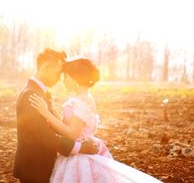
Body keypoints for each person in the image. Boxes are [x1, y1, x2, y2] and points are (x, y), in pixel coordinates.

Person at [29, 58, 162, 183]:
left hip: (79, 157)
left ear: (74, 79)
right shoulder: (85, 98)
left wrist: (46, 114)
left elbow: (72, 133)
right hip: (80, 150)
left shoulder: (80, 101)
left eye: (66, 77)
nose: (63, 81)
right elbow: (73, 126)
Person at [13, 49, 98, 183]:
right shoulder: (31, 95)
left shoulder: (41, 93)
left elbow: (57, 126)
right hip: (34, 167)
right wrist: (78, 147)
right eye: (58, 73)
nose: (59, 79)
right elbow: (43, 134)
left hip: (43, 165)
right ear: (45, 67)